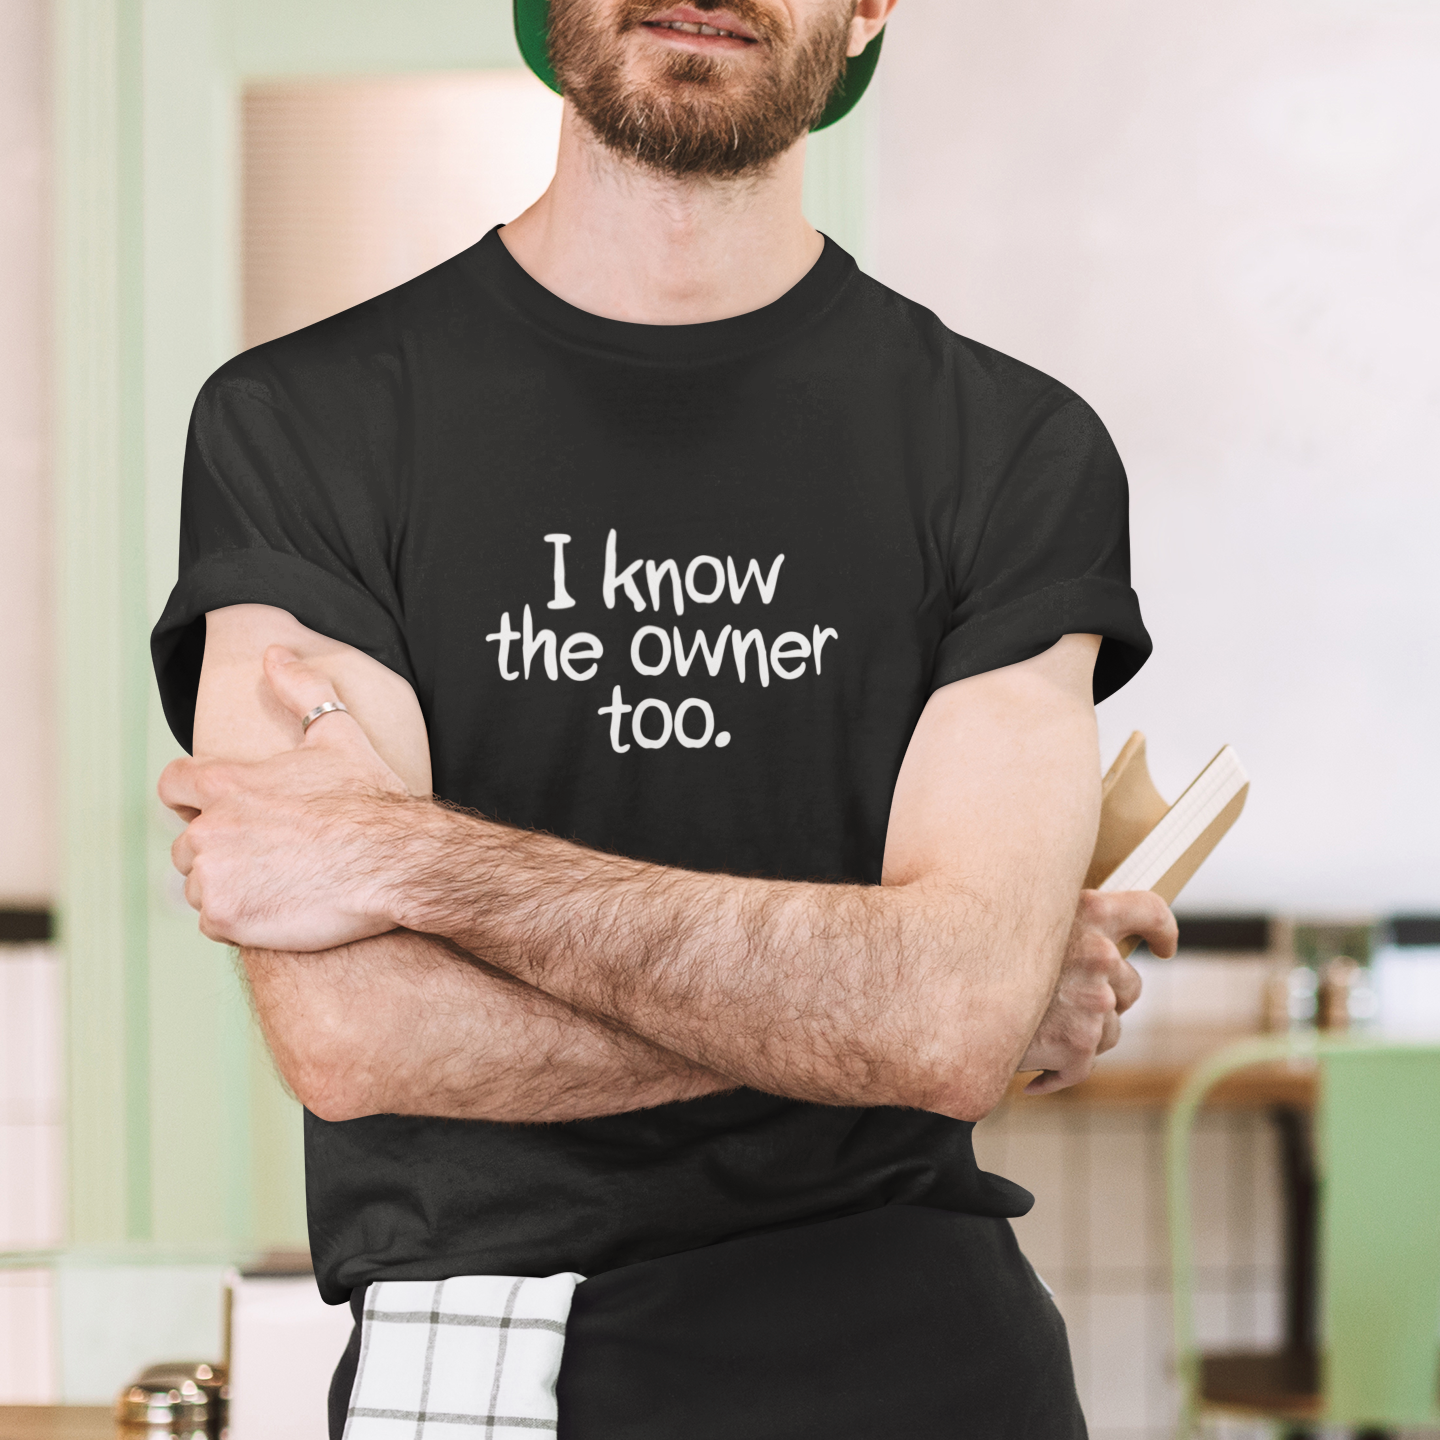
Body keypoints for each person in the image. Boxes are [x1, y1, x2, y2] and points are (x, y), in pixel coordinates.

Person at [152, 1, 1177, 1435]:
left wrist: (415, 861)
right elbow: (358, 1035)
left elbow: (947, 1021)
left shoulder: (1012, 450)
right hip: (487, 1354)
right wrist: (911, 997)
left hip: (917, 1361)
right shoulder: (304, 427)